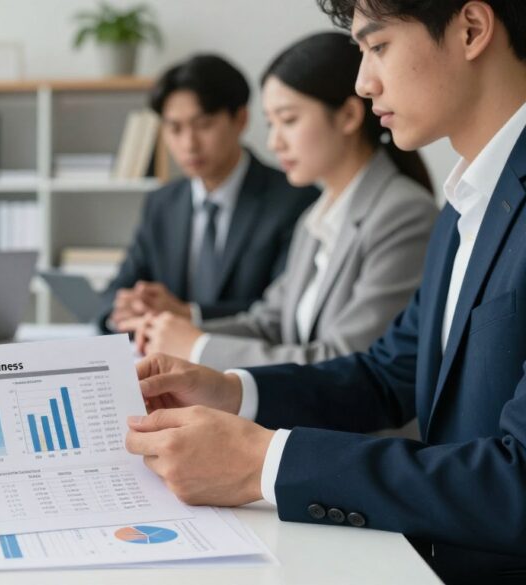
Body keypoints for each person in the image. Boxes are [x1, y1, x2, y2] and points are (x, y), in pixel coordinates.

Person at [124, 1, 526, 581]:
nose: (363, 83)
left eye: (378, 46)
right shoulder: (465, 205)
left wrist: (260, 463)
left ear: (470, 30)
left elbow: (516, 479)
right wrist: (232, 391)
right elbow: (388, 375)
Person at [134, 32, 438, 371]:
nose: (274, 142)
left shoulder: (403, 214)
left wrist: (198, 346)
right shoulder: (316, 218)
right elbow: (270, 323)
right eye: (271, 123)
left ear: (349, 116)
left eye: (289, 120)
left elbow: (350, 362)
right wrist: (179, 334)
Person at [102, 55, 319, 333]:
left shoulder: (295, 200)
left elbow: (287, 309)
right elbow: (118, 289)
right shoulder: (162, 202)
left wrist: (189, 315)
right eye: (175, 128)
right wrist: (124, 310)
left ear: (240, 119)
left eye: (203, 125)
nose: (188, 144)